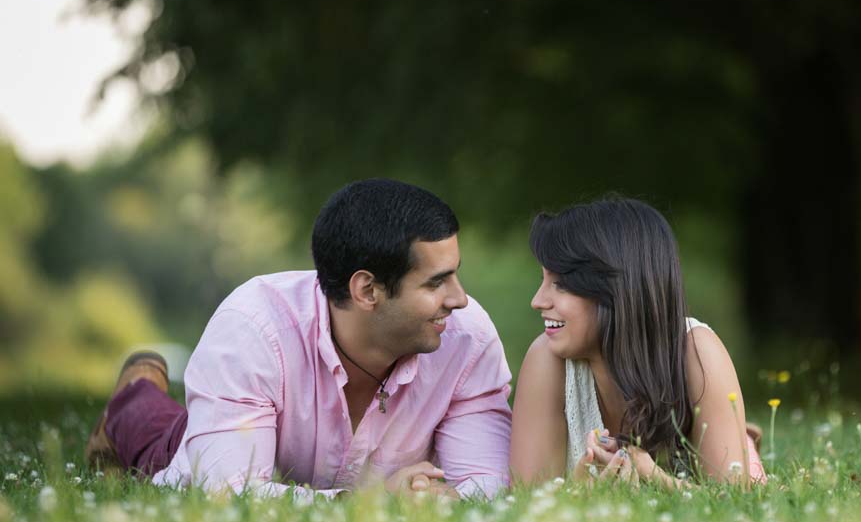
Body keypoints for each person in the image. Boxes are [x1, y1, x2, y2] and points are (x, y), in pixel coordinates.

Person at [86, 179, 513, 501]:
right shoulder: (252, 327)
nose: (458, 299)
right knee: (167, 446)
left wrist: (442, 500)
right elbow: (228, 494)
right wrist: (373, 503)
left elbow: (486, 483)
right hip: (211, 440)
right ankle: (131, 400)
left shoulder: (467, 337)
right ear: (367, 291)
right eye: (437, 282)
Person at [509, 197, 765, 487]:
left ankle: (743, 441)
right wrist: (578, 494)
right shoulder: (546, 359)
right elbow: (526, 501)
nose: (537, 301)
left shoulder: (697, 352)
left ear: (616, 289)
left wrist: (651, 475)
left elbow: (733, 501)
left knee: (748, 477)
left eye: (559, 283)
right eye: (543, 281)